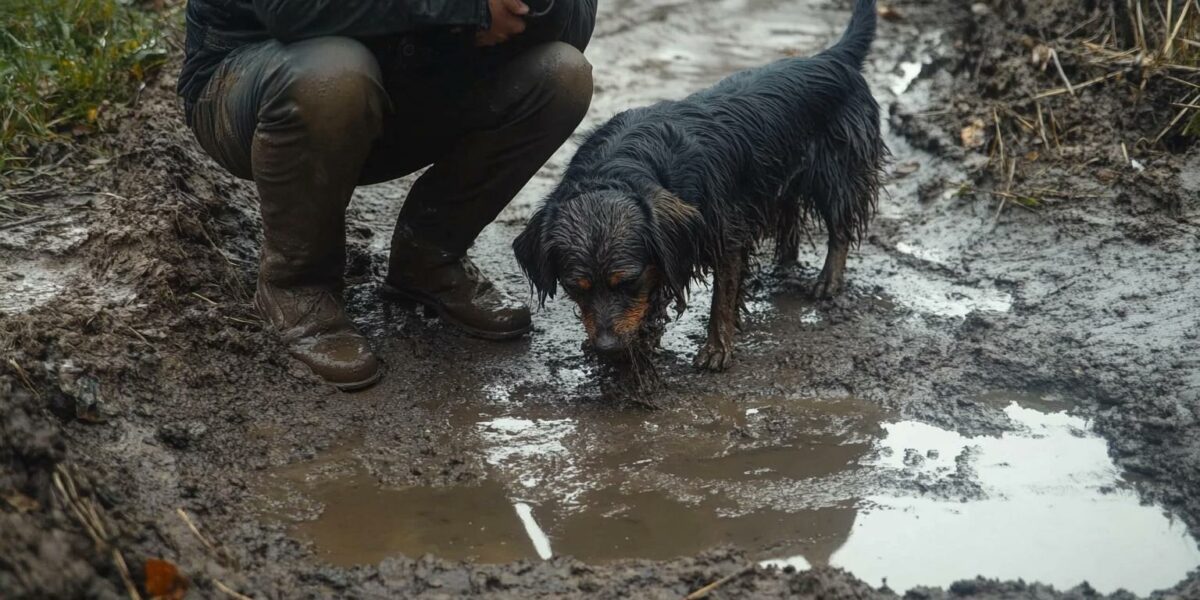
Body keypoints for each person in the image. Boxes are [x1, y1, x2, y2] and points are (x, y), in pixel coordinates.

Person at [177, 0, 597, 390]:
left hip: (404, 77)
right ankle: (297, 283)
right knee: (334, 74)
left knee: (561, 73)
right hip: (258, 81)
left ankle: (429, 256)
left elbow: (574, 25)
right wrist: (463, 7)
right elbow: (293, 12)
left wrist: (528, 7)